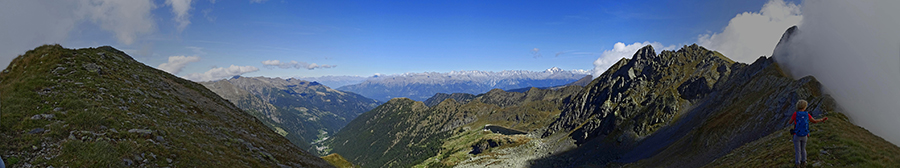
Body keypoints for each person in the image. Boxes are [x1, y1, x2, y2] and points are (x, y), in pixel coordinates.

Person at [788, 100, 827, 168]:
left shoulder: (795, 114)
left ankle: (797, 164)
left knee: (798, 150)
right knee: (803, 149)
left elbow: (790, 122)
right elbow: (814, 121)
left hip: (796, 135)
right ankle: (804, 162)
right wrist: (821, 120)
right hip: (805, 135)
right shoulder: (807, 114)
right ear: (805, 107)